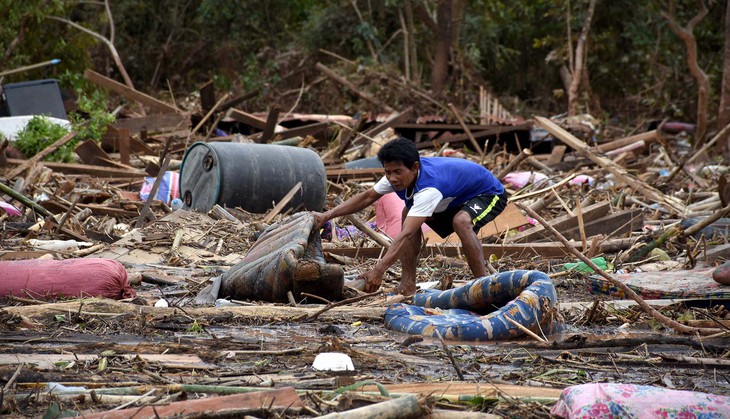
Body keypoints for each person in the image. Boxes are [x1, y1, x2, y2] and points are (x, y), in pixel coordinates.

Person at [313, 137, 507, 295]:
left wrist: (378, 271)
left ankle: (483, 288)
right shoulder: (396, 175)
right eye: (388, 172)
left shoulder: (428, 189)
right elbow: (367, 197)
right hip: (454, 196)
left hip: (487, 193)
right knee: (408, 212)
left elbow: (405, 234)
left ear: (414, 167)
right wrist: (326, 216)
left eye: (397, 172)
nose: (392, 178)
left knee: (461, 221)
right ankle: (408, 285)